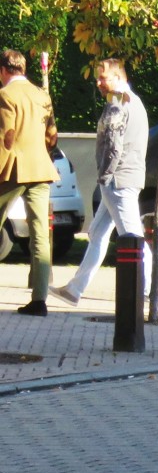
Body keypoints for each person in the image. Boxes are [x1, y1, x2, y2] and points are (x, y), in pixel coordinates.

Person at [50, 59, 151, 306]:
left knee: (132, 237)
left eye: (102, 78)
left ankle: (147, 290)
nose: (98, 83)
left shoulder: (117, 104)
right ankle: (75, 289)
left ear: (117, 77)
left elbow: (113, 146)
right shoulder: (135, 102)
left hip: (118, 180)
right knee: (96, 233)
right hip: (125, 177)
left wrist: (105, 175)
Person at [0, 48, 59, 316]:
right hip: (40, 168)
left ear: (3, 71)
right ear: (23, 69)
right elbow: (52, 134)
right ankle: (40, 300)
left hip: (13, 170)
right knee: (39, 235)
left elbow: (6, 138)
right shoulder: (42, 95)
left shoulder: (5, 95)